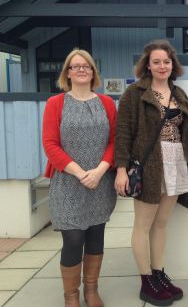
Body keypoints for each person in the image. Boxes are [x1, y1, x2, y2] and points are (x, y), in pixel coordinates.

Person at [114, 40, 188, 306]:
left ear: (172, 64)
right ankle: (145, 280)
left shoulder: (179, 93)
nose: (162, 66)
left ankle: (159, 274)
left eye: (166, 61)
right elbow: (123, 132)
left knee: (161, 223)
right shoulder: (134, 93)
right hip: (149, 164)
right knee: (143, 224)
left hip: (176, 161)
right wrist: (121, 170)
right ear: (147, 66)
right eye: (156, 61)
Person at [42, 49, 117, 307]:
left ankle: (91, 290)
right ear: (68, 73)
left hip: (100, 181)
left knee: (96, 234)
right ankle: (71, 295)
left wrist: (99, 171)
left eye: (86, 66)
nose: (81, 69)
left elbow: (114, 141)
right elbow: (50, 144)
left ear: (93, 72)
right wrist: (79, 172)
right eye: (75, 66)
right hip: (68, 182)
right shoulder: (55, 104)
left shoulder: (107, 103)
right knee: (73, 238)